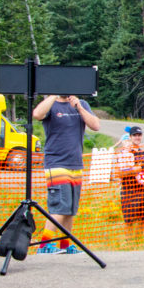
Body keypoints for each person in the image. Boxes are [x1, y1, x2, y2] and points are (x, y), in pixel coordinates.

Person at [32, 94, 100, 254]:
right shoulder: (51, 104)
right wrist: (52, 95)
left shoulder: (81, 104)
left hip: (75, 163)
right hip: (56, 163)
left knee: (70, 208)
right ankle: (45, 244)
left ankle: (65, 244)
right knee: (60, 206)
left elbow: (96, 125)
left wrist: (80, 107)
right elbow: (37, 114)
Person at [116, 126, 144, 247]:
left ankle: (138, 240)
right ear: (130, 137)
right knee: (129, 220)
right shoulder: (124, 153)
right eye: (135, 135)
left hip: (141, 190)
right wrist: (135, 169)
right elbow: (119, 173)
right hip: (128, 191)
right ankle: (128, 242)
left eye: (139, 135)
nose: (137, 137)